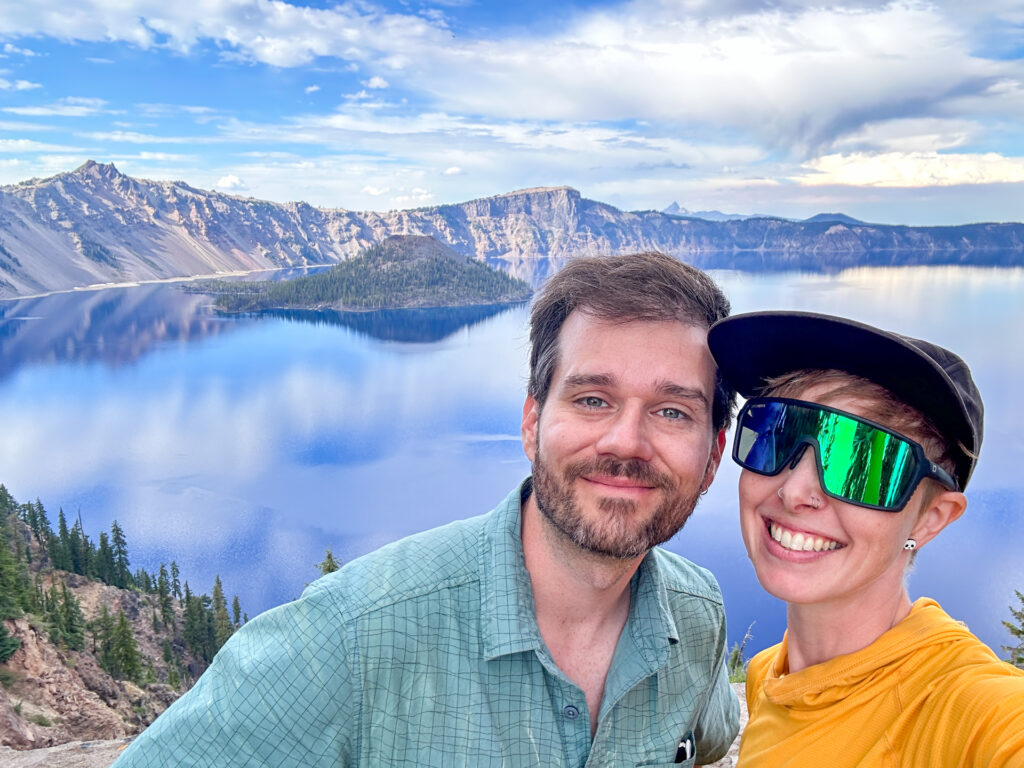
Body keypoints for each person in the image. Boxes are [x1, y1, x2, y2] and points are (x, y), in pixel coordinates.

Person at [114, 251, 741, 768]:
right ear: (532, 423)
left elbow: (710, 747)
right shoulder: (354, 637)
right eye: (592, 399)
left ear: (713, 455)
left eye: (672, 412)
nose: (625, 442)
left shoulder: (697, 616)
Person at [707, 310, 1024, 767]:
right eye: (776, 434)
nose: (795, 490)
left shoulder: (964, 712)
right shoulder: (767, 675)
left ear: (931, 518)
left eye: (863, 464)